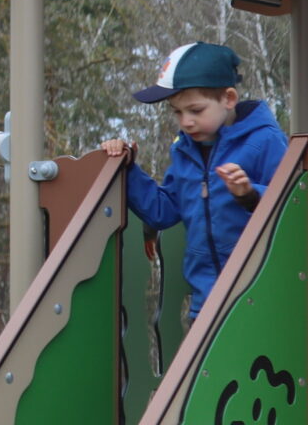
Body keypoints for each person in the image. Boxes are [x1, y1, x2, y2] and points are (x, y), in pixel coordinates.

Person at [99, 41, 289, 318]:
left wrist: (250, 194)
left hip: (259, 297)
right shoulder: (185, 150)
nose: (186, 122)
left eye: (196, 110)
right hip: (205, 302)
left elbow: (292, 207)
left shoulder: (264, 141)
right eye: (177, 112)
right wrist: (127, 170)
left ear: (229, 99)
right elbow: (164, 210)